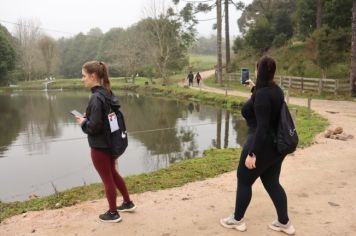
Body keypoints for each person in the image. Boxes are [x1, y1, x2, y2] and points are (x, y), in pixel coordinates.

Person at [220, 56, 296, 235]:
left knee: (244, 180)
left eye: (255, 69)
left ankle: (237, 220)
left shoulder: (262, 95)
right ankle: (284, 222)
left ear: (259, 71)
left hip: (260, 144)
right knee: (271, 182)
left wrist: (252, 153)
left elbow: (262, 127)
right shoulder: (276, 90)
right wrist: (253, 87)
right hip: (277, 147)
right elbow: (265, 104)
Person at [74, 61, 136, 223]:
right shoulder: (107, 92)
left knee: (107, 179)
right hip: (111, 142)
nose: (82, 79)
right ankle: (128, 203)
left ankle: (113, 213)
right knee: (114, 174)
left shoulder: (96, 97)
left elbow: (94, 128)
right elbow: (104, 119)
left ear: (93, 76)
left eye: (84, 76)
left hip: (100, 146)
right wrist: (89, 117)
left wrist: (83, 123)